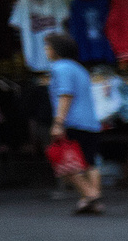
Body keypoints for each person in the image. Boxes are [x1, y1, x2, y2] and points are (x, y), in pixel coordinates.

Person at [39, 33, 104, 216]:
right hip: (90, 121)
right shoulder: (79, 68)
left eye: (48, 47)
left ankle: (90, 195)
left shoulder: (60, 68)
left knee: (67, 161)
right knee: (89, 162)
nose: (46, 51)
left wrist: (58, 122)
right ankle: (92, 200)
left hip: (73, 121)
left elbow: (65, 95)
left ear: (56, 49)